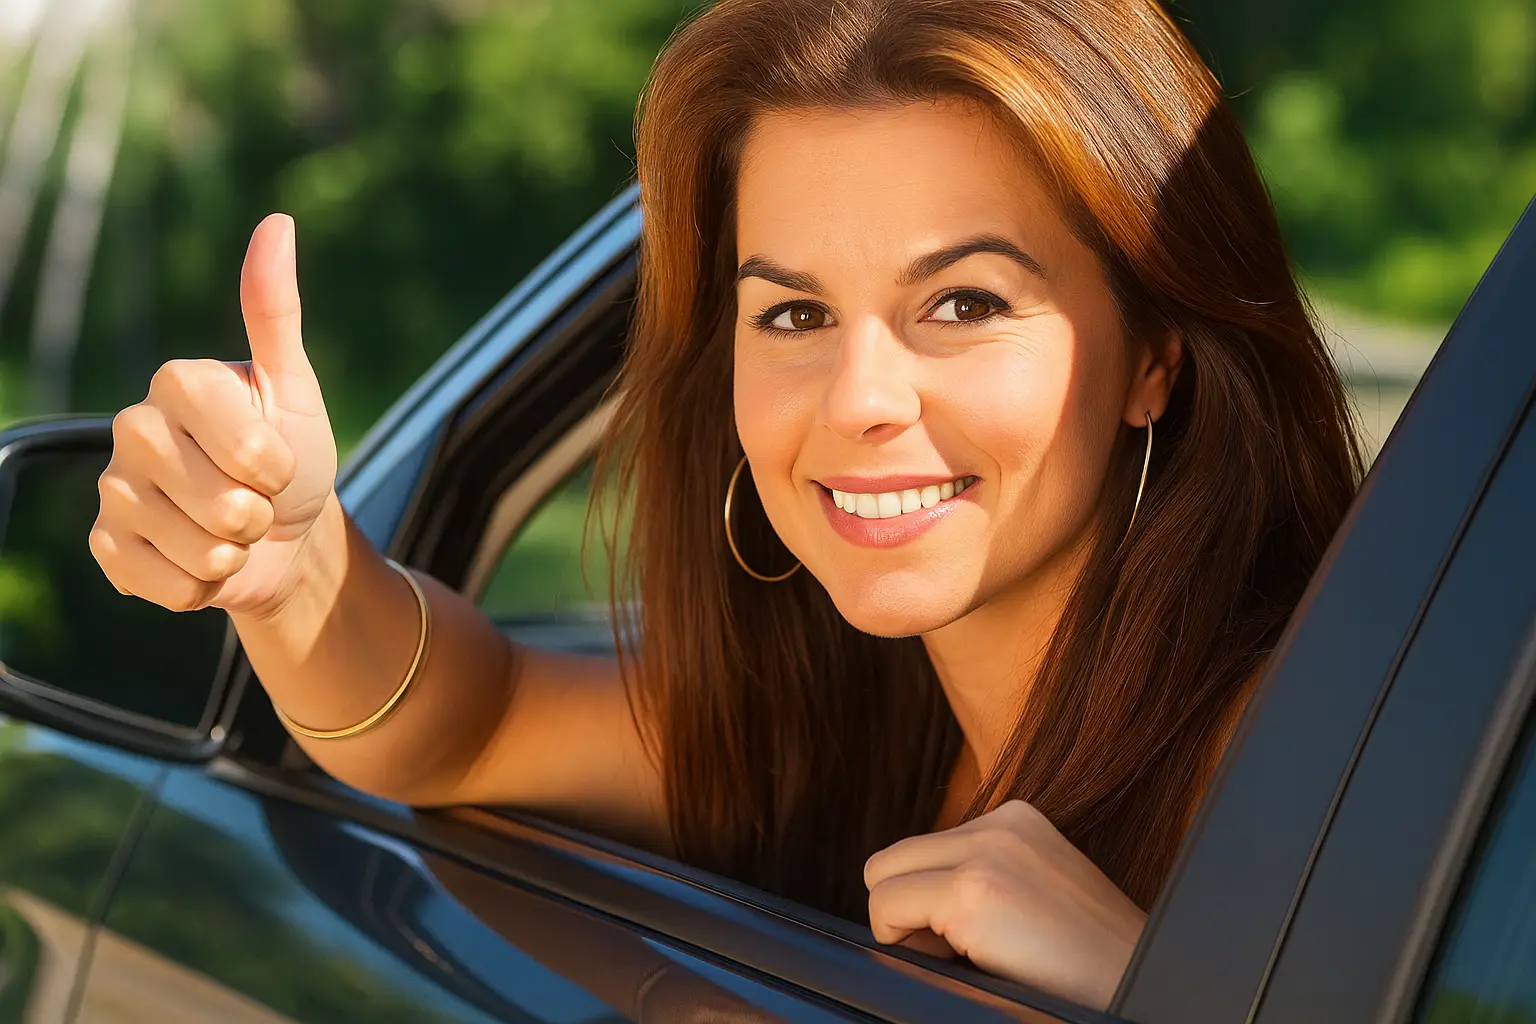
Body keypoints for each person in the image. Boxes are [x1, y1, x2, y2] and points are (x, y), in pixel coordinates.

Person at [88, 0, 1363, 1010]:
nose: (858, 398)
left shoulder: (1313, 764)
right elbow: (461, 730)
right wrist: (293, 559)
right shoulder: (851, 708)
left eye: (965, 302)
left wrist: (1151, 989)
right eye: (795, 312)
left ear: (1154, 356)